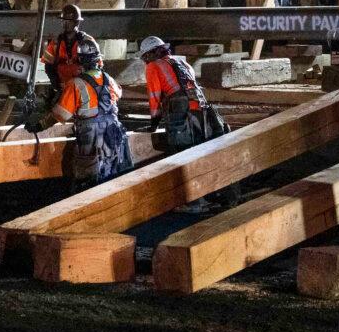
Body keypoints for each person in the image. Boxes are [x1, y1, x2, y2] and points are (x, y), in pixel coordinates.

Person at [139, 35, 236, 210]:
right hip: (201, 111)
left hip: (180, 114)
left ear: (148, 54)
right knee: (200, 153)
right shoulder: (181, 63)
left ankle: (194, 203)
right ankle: (209, 196)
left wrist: (154, 123)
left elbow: (154, 98)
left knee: (183, 156)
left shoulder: (153, 66)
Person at [27, 37, 132, 191]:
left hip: (90, 133)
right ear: (98, 60)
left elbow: (61, 114)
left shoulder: (75, 84)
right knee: (110, 168)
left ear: (80, 62)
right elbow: (118, 94)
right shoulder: (109, 79)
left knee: (87, 173)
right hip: (112, 130)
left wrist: (39, 125)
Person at [40, 4, 96, 100]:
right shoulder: (55, 43)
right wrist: (56, 84)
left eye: (69, 21)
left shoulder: (87, 42)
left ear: (77, 22)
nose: (65, 24)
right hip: (62, 87)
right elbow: (48, 66)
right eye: (63, 21)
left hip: (82, 88)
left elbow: (96, 68)